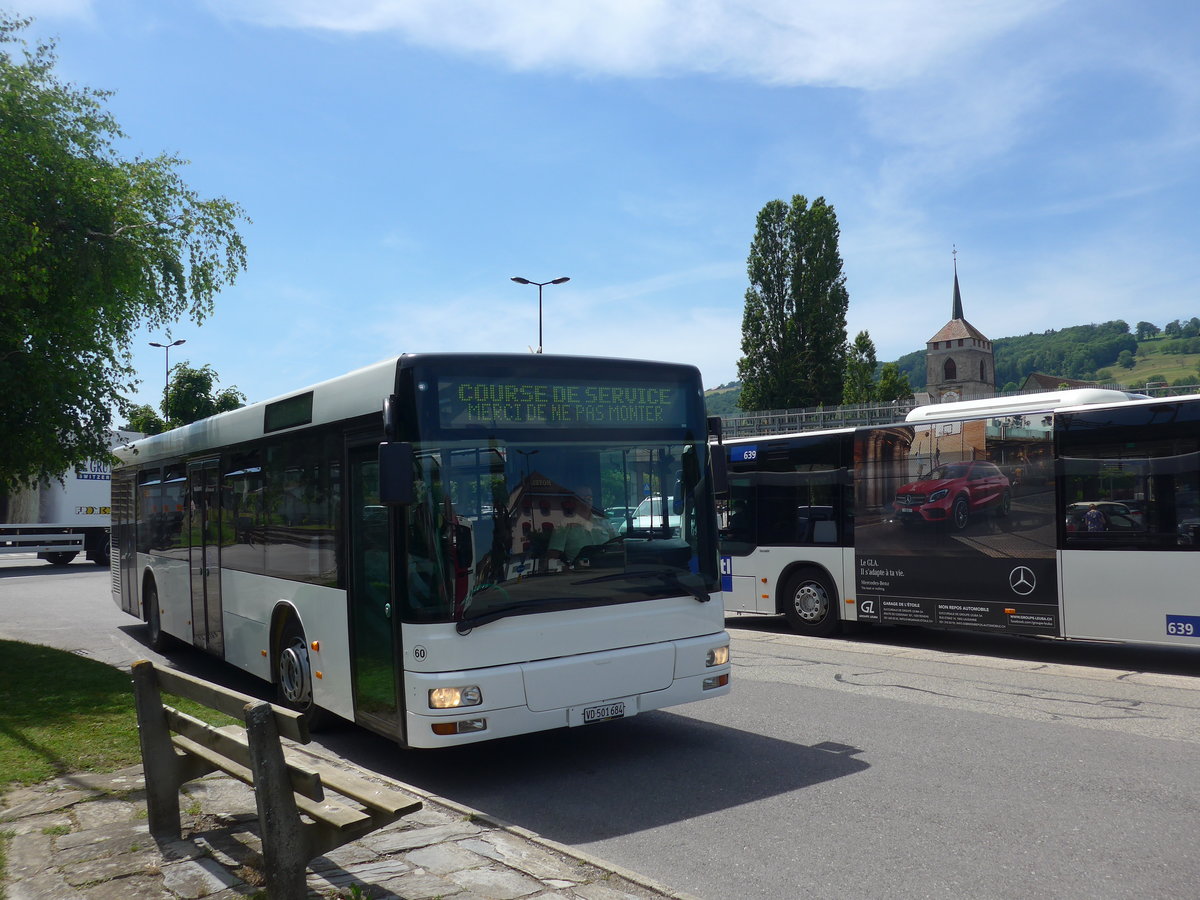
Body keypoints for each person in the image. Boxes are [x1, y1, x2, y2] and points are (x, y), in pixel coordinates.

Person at [546, 486, 614, 570]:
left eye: (589, 497)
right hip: (579, 576)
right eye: (583, 497)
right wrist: (567, 570)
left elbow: (620, 544)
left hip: (609, 573)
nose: (587, 500)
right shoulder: (563, 525)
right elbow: (553, 557)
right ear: (574, 500)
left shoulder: (605, 523)